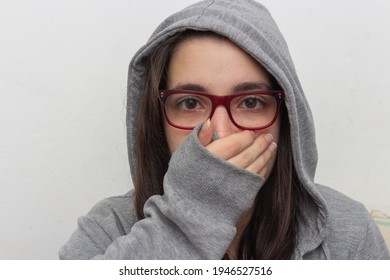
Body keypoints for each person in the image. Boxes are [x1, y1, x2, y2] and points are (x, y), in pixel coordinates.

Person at [59, 0, 389, 259]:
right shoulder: (107, 230)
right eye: (190, 103)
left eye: (251, 102)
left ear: (285, 117)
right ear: (157, 119)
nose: (221, 133)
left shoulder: (348, 231)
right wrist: (194, 214)